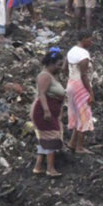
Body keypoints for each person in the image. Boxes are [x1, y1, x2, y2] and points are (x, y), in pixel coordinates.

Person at [31, 48, 65, 177]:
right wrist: (46, 111)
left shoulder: (51, 76)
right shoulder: (44, 76)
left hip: (51, 110)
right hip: (44, 111)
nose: (60, 68)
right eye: (58, 65)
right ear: (50, 63)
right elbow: (42, 94)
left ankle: (38, 166)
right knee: (52, 138)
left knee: (45, 138)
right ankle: (50, 169)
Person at [65, 32, 95, 155]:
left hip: (71, 84)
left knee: (76, 114)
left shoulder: (71, 51)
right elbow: (84, 75)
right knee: (83, 115)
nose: (91, 42)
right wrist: (91, 93)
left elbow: (63, 68)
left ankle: (72, 143)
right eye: (90, 39)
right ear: (83, 39)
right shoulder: (84, 54)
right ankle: (80, 147)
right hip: (80, 86)